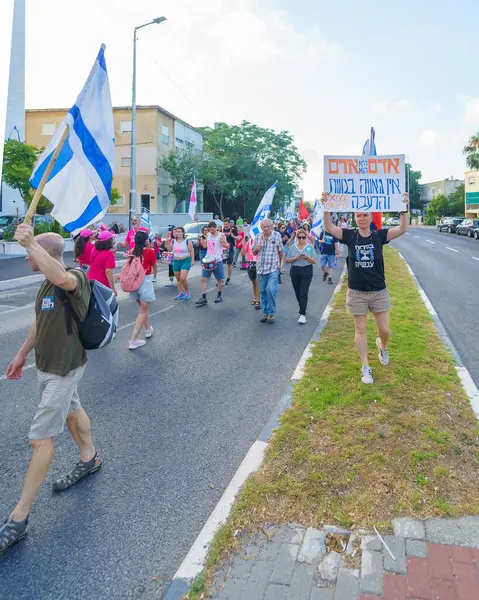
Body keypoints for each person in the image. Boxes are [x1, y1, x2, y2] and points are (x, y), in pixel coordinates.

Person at [2, 226, 100, 553]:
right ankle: (89, 458)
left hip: (64, 367)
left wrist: (31, 241)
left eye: (30, 251)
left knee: (39, 438)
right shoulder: (45, 281)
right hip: (47, 365)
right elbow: (38, 321)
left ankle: (19, 517)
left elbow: (64, 280)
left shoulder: (73, 277)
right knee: (73, 412)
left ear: (45, 252)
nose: (27, 256)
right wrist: (21, 354)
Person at [322, 192, 409, 385]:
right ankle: (365, 367)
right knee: (360, 330)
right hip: (357, 292)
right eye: (358, 215)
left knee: (384, 330)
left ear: (371, 217)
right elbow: (328, 226)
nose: (362, 218)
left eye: (365, 215)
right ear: (355, 217)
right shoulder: (349, 236)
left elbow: (403, 228)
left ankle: (382, 347)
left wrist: (404, 208)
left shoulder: (380, 236)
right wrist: (326, 205)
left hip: (378, 291)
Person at [128, 230, 158, 350]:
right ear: (146, 240)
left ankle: (147, 329)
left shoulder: (132, 251)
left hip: (134, 282)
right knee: (142, 311)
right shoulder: (150, 251)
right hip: (145, 281)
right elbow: (154, 266)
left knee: (143, 309)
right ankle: (133, 339)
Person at [253, 219, 283, 323]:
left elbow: (280, 251)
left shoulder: (277, 235)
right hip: (261, 268)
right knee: (263, 291)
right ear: (261, 228)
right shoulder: (258, 237)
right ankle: (265, 313)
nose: (266, 228)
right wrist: (257, 248)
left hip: (273, 267)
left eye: (267, 226)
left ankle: (272, 312)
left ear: (271, 227)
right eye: (264, 227)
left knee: (271, 289)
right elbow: (254, 252)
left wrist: (281, 265)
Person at [286, 228, 317, 323]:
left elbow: (314, 261)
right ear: (297, 238)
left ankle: (302, 314)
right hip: (295, 270)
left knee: (303, 292)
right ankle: (302, 307)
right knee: (297, 292)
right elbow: (287, 260)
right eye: (299, 237)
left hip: (306, 270)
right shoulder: (292, 247)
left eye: (303, 237)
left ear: (306, 238)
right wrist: (295, 258)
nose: (301, 239)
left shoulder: (309, 247)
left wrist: (307, 257)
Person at [195, 221, 229, 307]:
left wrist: (223, 243)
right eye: (209, 229)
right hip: (208, 259)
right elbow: (206, 246)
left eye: (212, 229)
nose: (211, 230)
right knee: (203, 279)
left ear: (215, 227)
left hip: (217, 260)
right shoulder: (208, 235)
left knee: (219, 279)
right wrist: (202, 242)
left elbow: (227, 246)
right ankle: (204, 297)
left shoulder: (221, 235)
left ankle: (219, 295)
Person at [167, 226, 195, 300]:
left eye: (179, 231)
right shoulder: (173, 241)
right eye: (176, 232)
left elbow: (191, 250)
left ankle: (187, 292)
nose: (177, 233)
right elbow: (169, 249)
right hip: (176, 261)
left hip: (185, 260)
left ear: (183, 233)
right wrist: (167, 242)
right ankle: (180, 293)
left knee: (183, 278)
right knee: (178, 278)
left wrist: (192, 260)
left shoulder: (187, 241)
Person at [88, 230, 118, 295]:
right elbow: (108, 271)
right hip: (102, 283)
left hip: (91, 280)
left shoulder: (94, 249)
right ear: (109, 241)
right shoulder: (109, 254)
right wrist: (112, 288)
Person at [241, 235, 260, 309]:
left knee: (257, 281)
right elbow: (243, 254)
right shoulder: (249, 242)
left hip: (258, 262)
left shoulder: (260, 241)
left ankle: (258, 300)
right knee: (253, 281)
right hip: (250, 263)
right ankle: (255, 298)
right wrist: (243, 244)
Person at [223, 219, 238, 284]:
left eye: (226, 224)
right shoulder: (222, 230)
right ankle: (221, 279)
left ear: (229, 224)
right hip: (223, 250)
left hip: (231, 249)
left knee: (229, 264)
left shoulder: (233, 230)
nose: (225, 225)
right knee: (221, 264)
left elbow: (238, 237)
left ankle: (228, 279)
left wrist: (233, 236)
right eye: (224, 224)